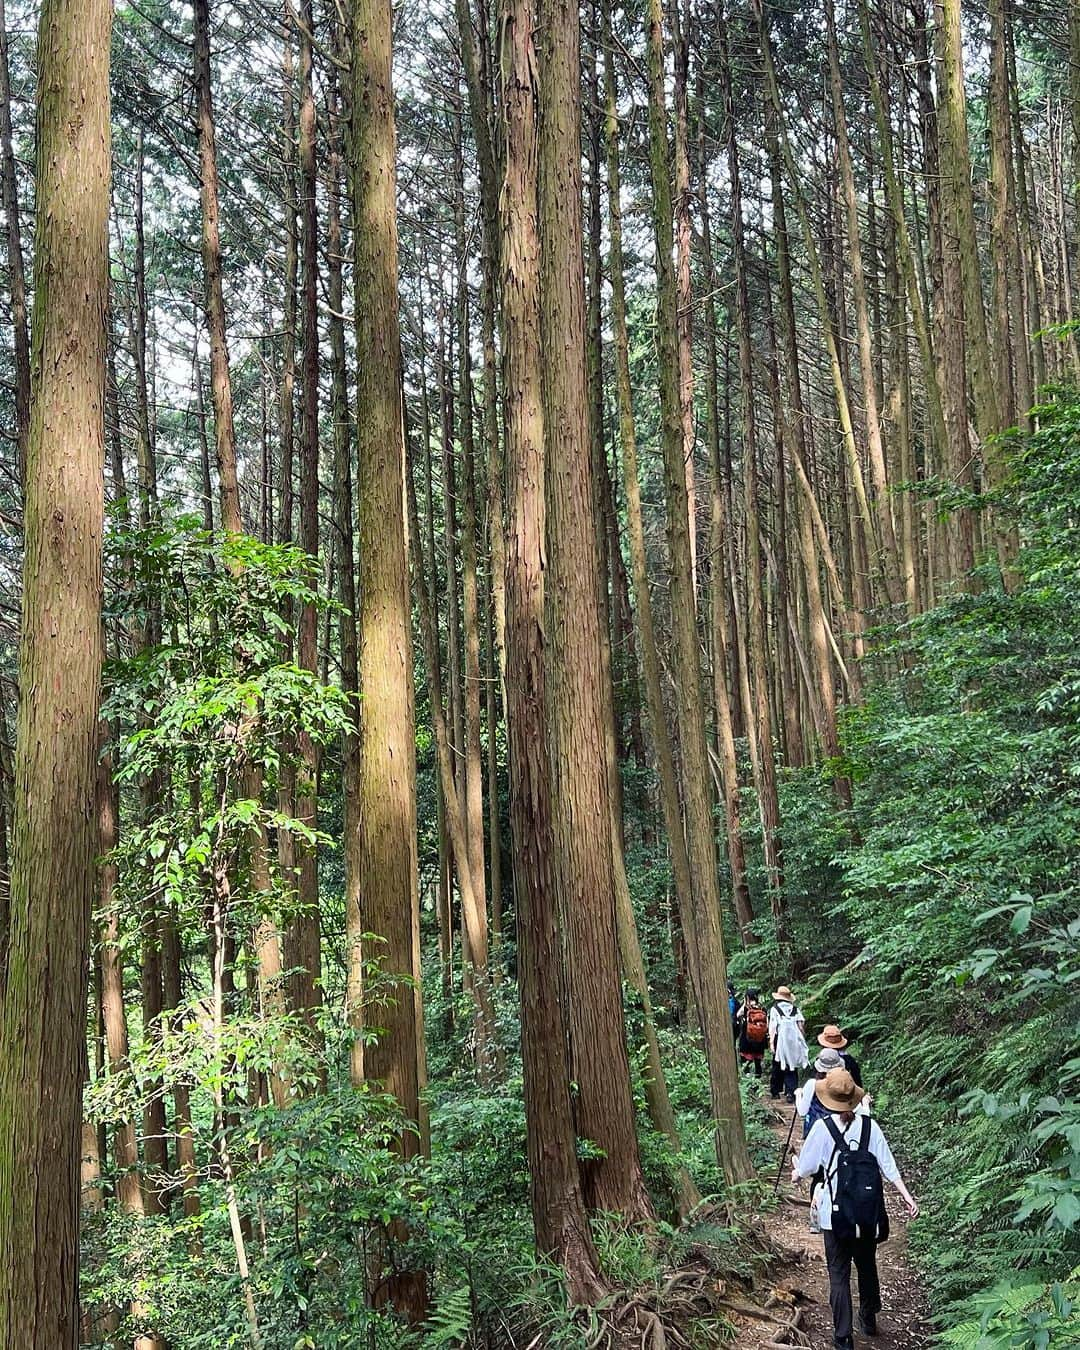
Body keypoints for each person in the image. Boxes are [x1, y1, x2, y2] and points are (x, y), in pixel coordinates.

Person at [792, 1069, 918, 1350]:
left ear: (828, 1099)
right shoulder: (870, 1127)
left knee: (838, 1273)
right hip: (866, 1214)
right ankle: (869, 1316)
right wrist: (908, 1197)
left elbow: (808, 1167)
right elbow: (888, 1165)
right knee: (866, 1262)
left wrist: (795, 1173)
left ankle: (843, 1337)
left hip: (832, 1216)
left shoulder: (822, 1128)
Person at [769, 985, 808, 1102]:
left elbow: (773, 1027)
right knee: (792, 1066)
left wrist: (771, 1043)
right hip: (794, 1041)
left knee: (777, 1064)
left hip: (779, 1040)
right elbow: (801, 1026)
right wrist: (803, 1039)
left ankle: (775, 1091)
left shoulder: (775, 1009)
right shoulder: (795, 1009)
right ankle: (791, 1092)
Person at [736, 988, 768, 1076]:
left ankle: (749, 1082)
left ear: (747, 997)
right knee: (758, 1064)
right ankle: (757, 1083)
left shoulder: (746, 1008)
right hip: (759, 1041)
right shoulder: (762, 1008)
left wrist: (745, 1003)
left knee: (746, 1064)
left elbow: (737, 1015)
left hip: (747, 1040)